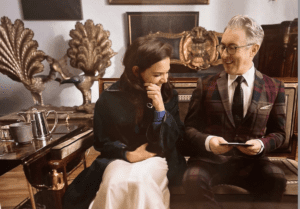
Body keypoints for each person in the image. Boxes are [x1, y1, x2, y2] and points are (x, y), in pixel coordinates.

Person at [62, 36, 186, 209]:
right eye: (158, 74)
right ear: (136, 71)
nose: (165, 79)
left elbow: (175, 138)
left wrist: (160, 109)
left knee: (140, 184)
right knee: (114, 184)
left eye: (167, 72)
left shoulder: (168, 94)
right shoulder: (109, 98)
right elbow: (102, 141)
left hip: (158, 157)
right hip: (120, 158)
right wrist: (128, 154)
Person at [182, 15, 287, 209]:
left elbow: (280, 134)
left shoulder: (274, 87)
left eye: (232, 47)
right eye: (222, 46)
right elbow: (189, 128)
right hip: (209, 161)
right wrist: (208, 142)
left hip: (252, 164)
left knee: (276, 178)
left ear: (253, 50)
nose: (224, 54)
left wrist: (262, 144)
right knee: (192, 178)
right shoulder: (205, 85)